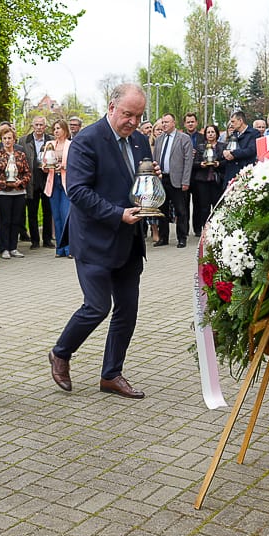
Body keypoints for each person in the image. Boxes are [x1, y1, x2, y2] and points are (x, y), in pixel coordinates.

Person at [48, 83, 153, 400]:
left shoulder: (139, 142)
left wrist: (151, 184)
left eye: (138, 116)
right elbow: (77, 191)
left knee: (127, 309)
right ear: (111, 107)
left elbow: (140, 184)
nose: (133, 122)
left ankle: (111, 374)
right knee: (97, 306)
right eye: (127, 114)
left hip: (129, 239)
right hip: (94, 240)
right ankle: (61, 353)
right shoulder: (86, 141)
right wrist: (117, 214)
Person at [0, 125, 30, 260]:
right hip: (4, 192)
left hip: (19, 192)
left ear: (14, 140)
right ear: (1, 140)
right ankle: (4, 248)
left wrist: (21, 181)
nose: (7, 141)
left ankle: (14, 247)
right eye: (5, 138)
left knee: (16, 220)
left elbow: (27, 173)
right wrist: (5, 183)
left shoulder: (21, 155)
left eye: (10, 138)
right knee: (5, 220)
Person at [153, 112, 193, 248]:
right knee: (162, 210)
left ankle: (182, 238)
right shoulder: (159, 139)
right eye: (162, 122)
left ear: (173, 123)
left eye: (167, 122)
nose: (164, 125)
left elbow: (188, 161)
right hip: (161, 179)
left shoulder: (184, 138)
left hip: (177, 179)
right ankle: (163, 237)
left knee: (181, 211)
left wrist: (185, 181)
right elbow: (155, 160)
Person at [22, 116, 53, 249]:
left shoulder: (51, 140)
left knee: (48, 211)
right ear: (32, 126)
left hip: (47, 181)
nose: (39, 127)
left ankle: (47, 239)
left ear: (45, 127)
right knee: (32, 212)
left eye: (41, 125)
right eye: (37, 125)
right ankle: (34, 241)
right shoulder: (24, 140)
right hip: (31, 181)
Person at [43, 119, 71, 258]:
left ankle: (70, 248)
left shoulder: (71, 145)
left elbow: (76, 164)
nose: (56, 131)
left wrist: (64, 166)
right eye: (54, 129)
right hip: (53, 182)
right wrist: (45, 166)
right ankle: (60, 248)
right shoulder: (50, 144)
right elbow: (44, 163)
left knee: (66, 215)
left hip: (66, 183)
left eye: (58, 128)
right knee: (57, 217)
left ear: (65, 130)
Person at [191, 124, 226, 226]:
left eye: (212, 132)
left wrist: (219, 164)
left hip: (217, 180)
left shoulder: (223, 146)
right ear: (205, 135)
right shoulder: (200, 147)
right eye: (208, 132)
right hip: (203, 180)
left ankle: (217, 227)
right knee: (204, 207)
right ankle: (205, 228)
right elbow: (193, 163)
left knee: (217, 206)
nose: (210, 134)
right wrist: (200, 164)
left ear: (216, 133)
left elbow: (227, 162)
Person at [221, 111, 258, 187]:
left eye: (233, 121)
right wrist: (225, 152)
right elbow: (228, 147)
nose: (231, 124)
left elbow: (251, 150)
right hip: (231, 172)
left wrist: (233, 154)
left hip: (244, 171)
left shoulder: (253, 133)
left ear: (240, 121)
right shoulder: (234, 134)